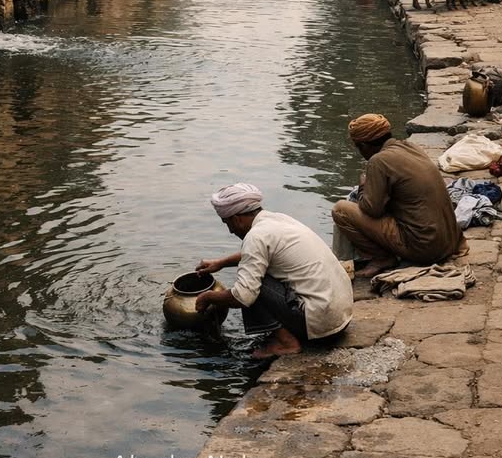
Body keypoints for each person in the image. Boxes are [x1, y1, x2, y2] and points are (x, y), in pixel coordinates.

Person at [194, 183, 353, 358]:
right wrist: (221, 263)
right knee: (253, 272)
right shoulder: (277, 220)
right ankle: (284, 333)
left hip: (322, 326)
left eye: (227, 223)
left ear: (236, 219)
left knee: (250, 285)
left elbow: (243, 296)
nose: (230, 231)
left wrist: (208, 297)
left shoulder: (256, 236)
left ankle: (286, 343)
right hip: (341, 317)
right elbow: (258, 254)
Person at [332, 114, 467, 278]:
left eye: (358, 147)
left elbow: (371, 210)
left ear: (364, 145)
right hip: (450, 242)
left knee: (341, 210)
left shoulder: (378, 161)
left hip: (426, 248)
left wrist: (363, 186)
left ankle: (382, 258)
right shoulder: (411, 147)